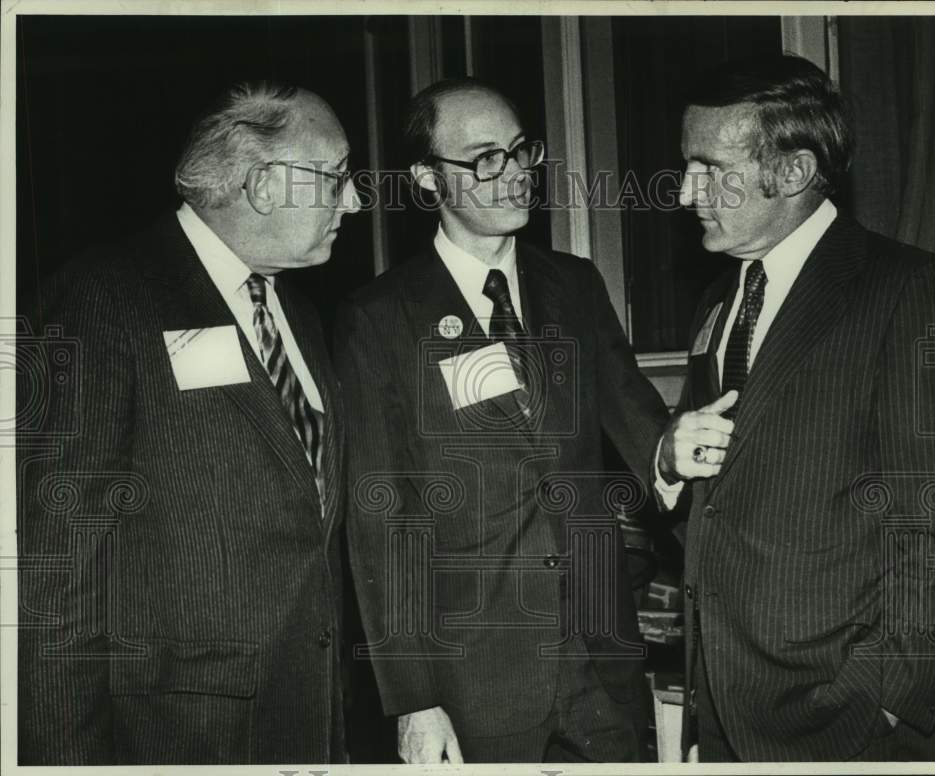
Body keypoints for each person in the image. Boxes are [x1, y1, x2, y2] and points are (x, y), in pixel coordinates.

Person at [334, 78, 721, 764]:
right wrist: (414, 699)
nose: (513, 175)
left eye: (519, 152)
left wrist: (671, 449)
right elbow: (381, 521)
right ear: (427, 179)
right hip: (475, 678)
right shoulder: (379, 318)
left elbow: (639, 423)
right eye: (484, 159)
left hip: (602, 661)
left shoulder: (574, 285)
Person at [17, 81, 360, 764]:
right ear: (264, 185)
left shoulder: (300, 314)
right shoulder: (106, 297)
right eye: (336, 177)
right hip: (178, 732)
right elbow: (59, 563)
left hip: (309, 716)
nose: (353, 200)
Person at [658, 54, 935, 761]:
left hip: (846, 718)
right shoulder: (720, 299)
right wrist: (670, 461)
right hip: (721, 710)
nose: (687, 193)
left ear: (795, 172)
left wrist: (891, 699)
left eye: (711, 169)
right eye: (688, 167)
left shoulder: (906, 289)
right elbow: (717, 498)